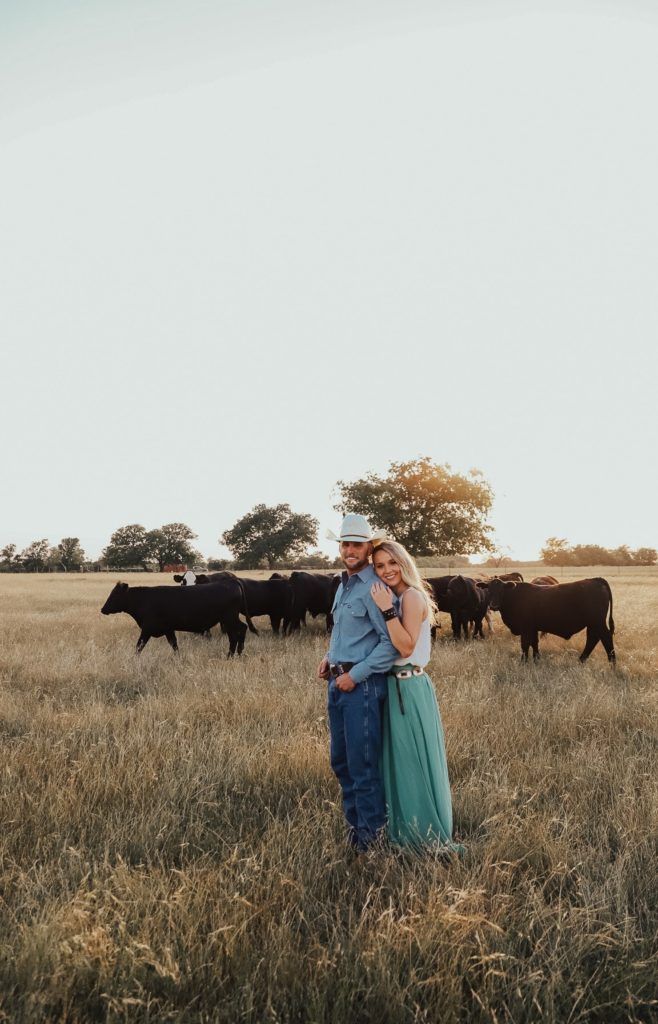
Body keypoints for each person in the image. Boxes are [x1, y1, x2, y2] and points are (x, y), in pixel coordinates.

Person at [370, 538, 463, 853]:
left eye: (392, 563)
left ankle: (423, 835)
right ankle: (401, 829)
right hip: (393, 686)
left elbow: (406, 646)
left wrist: (385, 610)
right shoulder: (394, 597)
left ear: (403, 562)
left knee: (413, 761)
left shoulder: (409, 597)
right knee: (396, 762)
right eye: (379, 566)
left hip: (409, 687)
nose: (387, 570)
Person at [317, 514, 398, 852]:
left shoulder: (374, 588)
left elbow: (390, 643)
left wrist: (355, 674)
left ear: (368, 548)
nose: (350, 549)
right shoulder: (344, 583)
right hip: (338, 682)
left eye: (357, 544)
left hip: (361, 687)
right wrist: (330, 656)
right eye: (345, 543)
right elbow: (345, 631)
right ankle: (356, 832)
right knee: (341, 763)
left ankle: (371, 842)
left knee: (362, 766)